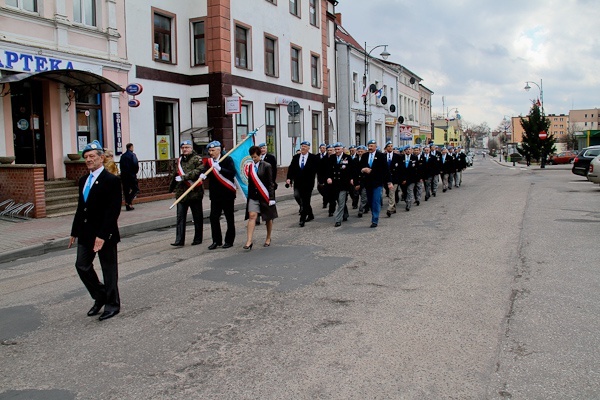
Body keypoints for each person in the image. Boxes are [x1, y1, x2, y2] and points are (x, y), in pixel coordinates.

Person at [68, 140, 122, 321]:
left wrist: (102, 236)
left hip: (104, 233)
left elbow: (112, 211)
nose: (88, 160)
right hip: (85, 232)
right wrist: (74, 231)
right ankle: (100, 296)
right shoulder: (84, 180)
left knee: (109, 270)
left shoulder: (111, 180)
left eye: (92, 156)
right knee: (81, 266)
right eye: (86, 157)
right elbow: (80, 207)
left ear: (101, 158)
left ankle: (112, 304)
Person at [201, 141, 236, 250]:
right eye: (209, 151)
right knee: (214, 218)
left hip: (227, 194)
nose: (211, 153)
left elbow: (232, 173)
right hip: (215, 195)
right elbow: (206, 171)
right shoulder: (210, 161)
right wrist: (203, 175)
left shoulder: (227, 159)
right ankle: (216, 240)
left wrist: (220, 169)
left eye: (213, 150)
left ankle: (229, 240)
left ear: (219, 150)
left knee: (229, 218)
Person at [168, 140, 204, 247]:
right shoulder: (180, 160)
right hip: (181, 193)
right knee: (180, 217)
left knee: (197, 217)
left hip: (194, 193)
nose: (184, 149)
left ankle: (198, 238)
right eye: (183, 147)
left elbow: (199, 171)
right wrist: (171, 187)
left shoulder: (197, 159)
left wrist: (184, 177)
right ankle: (179, 240)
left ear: (191, 148)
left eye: (187, 147)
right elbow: (175, 174)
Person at [243, 145, 278, 249]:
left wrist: (271, 198)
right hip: (254, 196)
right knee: (252, 216)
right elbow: (250, 183)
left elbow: (271, 183)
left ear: (259, 155)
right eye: (252, 157)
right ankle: (249, 241)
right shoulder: (250, 167)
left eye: (255, 157)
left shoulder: (266, 166)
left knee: (268, 218)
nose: (253, 159)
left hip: (265, 195)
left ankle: (268, 237)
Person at [356, 139, 393, 228]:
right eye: (369, 146)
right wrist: (362, 170)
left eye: (372, 146)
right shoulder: (364, 156)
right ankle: (374, 214)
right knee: (371, 201)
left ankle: (375, 220)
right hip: (367, 183)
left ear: (375, 146)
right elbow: (359, 168)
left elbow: (386, 170)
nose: (370, 147)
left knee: (376, 201)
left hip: (377, 183)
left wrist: (389, 182)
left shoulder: (380, 156)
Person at [286, 140, 318, 227]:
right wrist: (289, 178)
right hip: (298, 183)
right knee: (297, 196)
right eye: (302, 146)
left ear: (308, 148)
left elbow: (317, 169)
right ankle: (310, 213)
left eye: (305, 146)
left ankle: (302, 219)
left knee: (306, 200)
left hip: (308, 183)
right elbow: (291, 168)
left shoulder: (313, 158)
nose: (303, 148)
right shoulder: (296, 157)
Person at [326, 142, 352, 227]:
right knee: (339, 200)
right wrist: (328, 177)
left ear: (342, 149)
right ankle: (345, 214)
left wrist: (352, 179)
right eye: (336, 149)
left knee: (341, 201)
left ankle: (338, 220)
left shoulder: (347, 158)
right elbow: (328, 170)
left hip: (343, 184)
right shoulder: (331, 158)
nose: (337, 151)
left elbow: (351, 170)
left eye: (338, 149)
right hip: (334, 184)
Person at [382, 141, 401, 217]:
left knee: (391, 192)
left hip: (394, 179)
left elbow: (400, 169)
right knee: (389, 192)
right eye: (388, 146)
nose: (390, 147)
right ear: (386, 148)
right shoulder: (383, 156)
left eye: (391, 146)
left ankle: (389, 208)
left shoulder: (397, 156)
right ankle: (393, 208)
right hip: (386, 179)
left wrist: (401, 178)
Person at [120, 143, 139, 211]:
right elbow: (135, 164)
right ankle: (128, 202)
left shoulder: (123, 156)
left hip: (124, 175)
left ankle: (128, 205)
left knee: (126, 190)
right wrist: (134, 173)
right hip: (131, 175)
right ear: (130, 147)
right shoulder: (132, 155)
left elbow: (121, 166)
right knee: (135, 189)